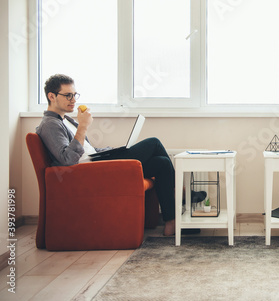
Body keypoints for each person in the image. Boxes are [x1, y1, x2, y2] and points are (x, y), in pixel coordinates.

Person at [36, 74, 181, 236]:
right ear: (51, 96)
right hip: (93, 172)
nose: (73, 100)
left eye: (74, 95)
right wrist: (83, 127)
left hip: (99, 162)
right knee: (154, 142)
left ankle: (171, 221)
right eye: (68, 95)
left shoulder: (66, 120)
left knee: (161, 163)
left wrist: (111, 150)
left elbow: (88, 150)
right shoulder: (49, 125)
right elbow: (67, 160)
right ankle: (179, 193)